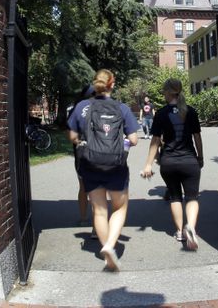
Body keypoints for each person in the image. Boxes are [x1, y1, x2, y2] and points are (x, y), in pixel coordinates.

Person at [67, 69, 140, 271]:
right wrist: (121, 143)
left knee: (99, 211)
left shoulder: (82, 107)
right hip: (116, 166)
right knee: (119, 208)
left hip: (90, 164)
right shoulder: (122, 108)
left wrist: (83, 140)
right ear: (112, 84)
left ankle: (105, 247)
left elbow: (72, 136)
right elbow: (133, 140)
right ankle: (110, 245)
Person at [140, 78, 204, 251]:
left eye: (163, 91)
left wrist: (148, 165)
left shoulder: (161, 113)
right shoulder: (190, 111)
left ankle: (179, 232)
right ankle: (190, 226)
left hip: (168, 162)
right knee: (192, 197)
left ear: (168, 92)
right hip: (189, 160)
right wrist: (200, 157)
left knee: (175, 197)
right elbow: (197, 136)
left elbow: (155, 140)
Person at [67, 84, 95, 227]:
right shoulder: (108, 106)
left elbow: (72, 136)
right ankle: (98, 228)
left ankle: (84, 218)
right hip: (103, 153)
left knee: (83, 187)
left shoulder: (77, 108)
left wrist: (79, 142)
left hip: (82, 153)